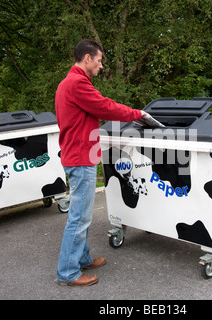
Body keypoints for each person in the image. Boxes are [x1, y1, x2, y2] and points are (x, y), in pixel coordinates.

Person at [55, 39, 147, 287]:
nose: (101, 65)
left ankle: (82, 258)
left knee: (81, 214)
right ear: (87, 58)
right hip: (80, 157)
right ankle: (68, 272)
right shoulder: (77, 83)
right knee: (79, 217)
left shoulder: (69, 82)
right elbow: (106, 107)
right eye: (99, 60)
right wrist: (138, 114)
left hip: (77, 155)